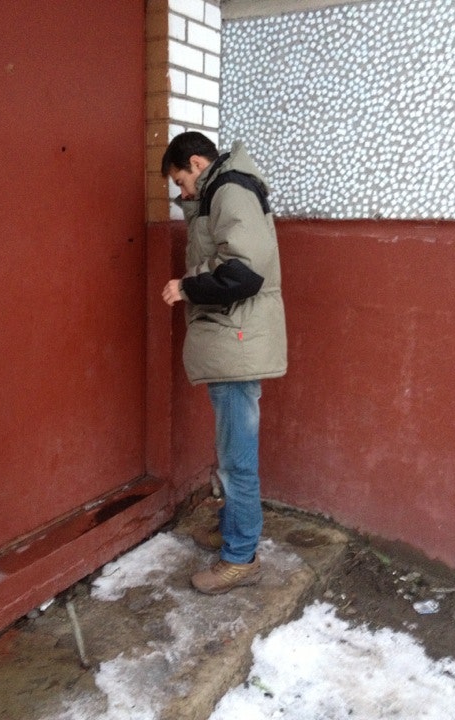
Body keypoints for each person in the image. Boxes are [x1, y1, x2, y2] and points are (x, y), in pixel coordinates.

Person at [161, 131, 287, 594]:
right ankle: (234, 529)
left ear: (197, 163)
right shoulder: (219, 192)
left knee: (237, 461)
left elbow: (244, 272)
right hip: (233, 339)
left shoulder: (230, 190)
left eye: (181, 182)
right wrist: (193, 205)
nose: (182, 193)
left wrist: (187, 286)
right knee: (233, 452)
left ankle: (240, 558)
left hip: (237, 341)